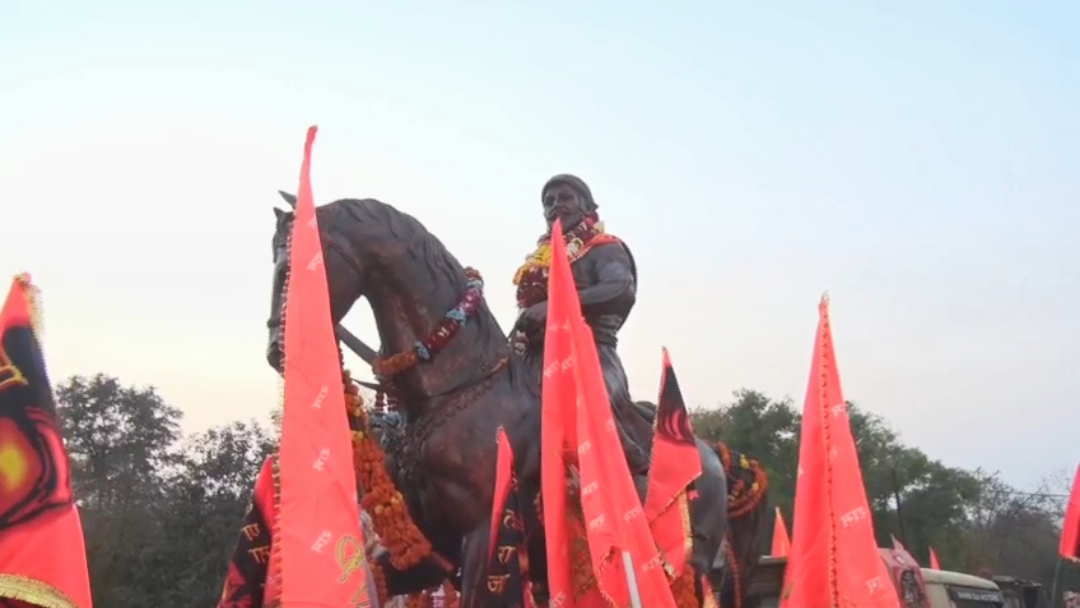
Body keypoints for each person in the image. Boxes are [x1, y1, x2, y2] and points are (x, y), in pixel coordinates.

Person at [512, 174, 652, 492]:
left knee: (586, 394)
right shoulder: (539, 260)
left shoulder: (603, 248)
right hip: (533, 356)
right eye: (548, 201)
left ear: (587, 206)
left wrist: (556, 306)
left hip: (592, 353)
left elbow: (621, 289)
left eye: (565, 198)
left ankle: (632, 471)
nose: (555, 206)